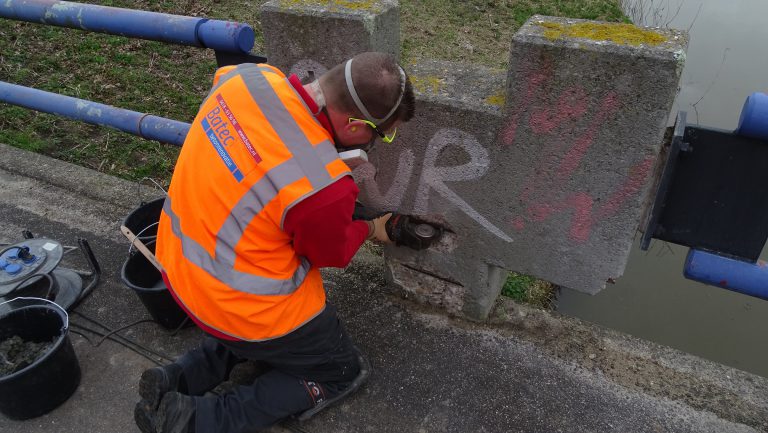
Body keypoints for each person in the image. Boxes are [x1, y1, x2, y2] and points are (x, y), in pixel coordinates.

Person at [133, 51, 415, 433]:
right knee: (340, 369)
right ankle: (192, 419)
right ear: (353, 126)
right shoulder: (324, 186)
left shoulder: (248, 78)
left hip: (178, 266)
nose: (378, 142)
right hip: (238, 307)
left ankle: (178, 377)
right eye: (381, 133)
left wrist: (319, 164)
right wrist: (372, 228)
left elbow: (264, 160)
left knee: (250, 319)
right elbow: (331, 253)